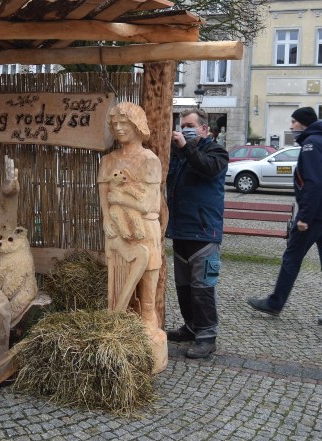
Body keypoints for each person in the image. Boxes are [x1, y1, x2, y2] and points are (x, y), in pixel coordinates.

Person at [247, 107, 322, 331]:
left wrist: (304, 217)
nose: (291, 126)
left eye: (294, 122)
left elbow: (313, 183)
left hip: (316, 215)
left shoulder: (311, 144)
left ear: (304, 124)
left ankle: (275, 303)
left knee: (292, 257)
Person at [97, 102, 167, 372]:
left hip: (145, 228)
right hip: (116, 229)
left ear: (138, 126)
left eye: (125, 124)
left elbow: (150, 203)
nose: (119, 129)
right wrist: (107, 218)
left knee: (148, 280)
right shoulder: (109, 161)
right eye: (115, 125)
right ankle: (121, 325)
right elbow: (104, 197)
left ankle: (149, 323)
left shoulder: (149, 160)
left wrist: (122, 198)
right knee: (118, 280)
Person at [165, 108, 228, 359]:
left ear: (204, 129)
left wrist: (185, 148)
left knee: (202, 287)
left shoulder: (217, 152)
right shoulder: (179, 154)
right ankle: (191, 326)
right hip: (181, 230)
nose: (185, 128)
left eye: (190, 124)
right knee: (184, 286)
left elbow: (208, 169)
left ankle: (207, 336)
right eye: (183, 124)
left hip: (204, 232)